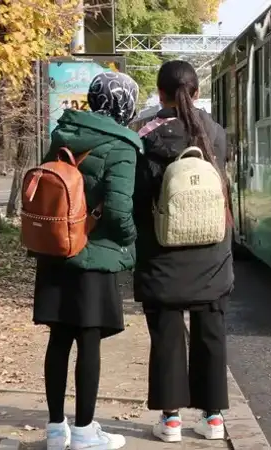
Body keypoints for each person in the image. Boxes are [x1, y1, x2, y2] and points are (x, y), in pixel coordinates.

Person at [33, 72, 142, 450]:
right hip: (92, 256)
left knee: (58, 339)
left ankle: (54, 429)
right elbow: (118, 209)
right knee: (88, 341)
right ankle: (83, 432)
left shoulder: (63, 134)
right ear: (125, 104)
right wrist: (129, 240)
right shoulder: (123, 146)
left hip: (54, 250)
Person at [133, 60, 233, 443]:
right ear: (194, 91)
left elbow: (140, 197)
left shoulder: (146, 134)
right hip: (212, 251)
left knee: (167, 333)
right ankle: (213, 419)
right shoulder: (215, 133)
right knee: (212, 332)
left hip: (163, 252)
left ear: (161, 93)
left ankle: (171, 421)